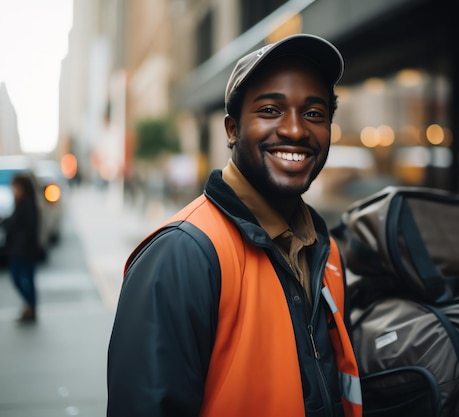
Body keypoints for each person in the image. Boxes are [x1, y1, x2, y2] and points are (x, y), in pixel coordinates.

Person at [107, 34, 362, 417]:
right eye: (271, 110)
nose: (295, 130)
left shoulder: (326, 251)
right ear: (231, 129)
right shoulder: (181, 254)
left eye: (314, 114)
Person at [6, 172, 41, 323]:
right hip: (21, 249)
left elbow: (29, 229)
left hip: (24, 251)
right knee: (25, 279)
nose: (13, 190)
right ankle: (30, 308)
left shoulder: (27, 203)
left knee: (19, 277)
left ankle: (31, 307)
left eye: (15, 187)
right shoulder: (21, 202)